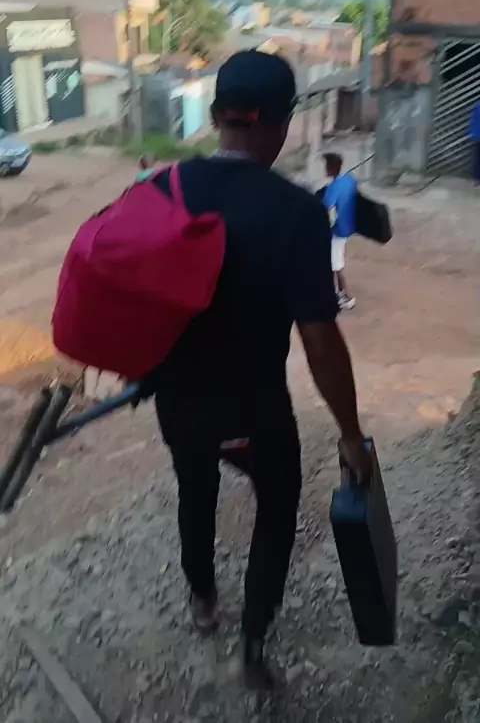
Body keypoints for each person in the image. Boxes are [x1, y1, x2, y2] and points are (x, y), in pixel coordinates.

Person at [146, 50, 371, 689]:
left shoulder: (164, 189)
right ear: (282, 123)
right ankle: (252, 642)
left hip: (179, 400)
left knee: (195, 491)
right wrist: (350, 436)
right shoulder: (296, 213)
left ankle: (202, 600)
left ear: (217, 115)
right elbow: (320, 343)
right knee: (276, 506)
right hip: (255, 409)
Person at [321, 152, 357, 310]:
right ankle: (336, 294)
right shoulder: (349, 180)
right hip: (347, 227)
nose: (325, 168)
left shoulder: (333, 188)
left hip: (336, 232)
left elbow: (327, 211)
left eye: (327, 165)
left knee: (335, 265)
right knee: (334, 263)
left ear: (334, 167)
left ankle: (344, 297)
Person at [469, 100, 480, 185]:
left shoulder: (477, 104)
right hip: (477, 135)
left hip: (476, 135)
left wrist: (472, 133)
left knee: (477, 157)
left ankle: (477, 179)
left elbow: (473, 119)